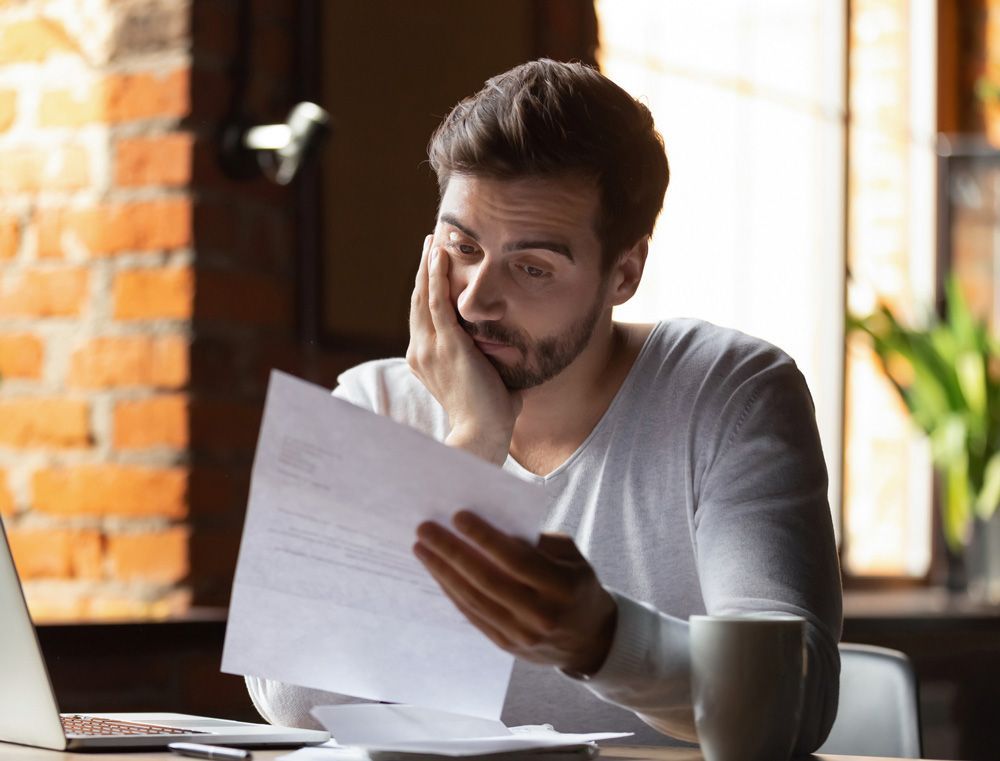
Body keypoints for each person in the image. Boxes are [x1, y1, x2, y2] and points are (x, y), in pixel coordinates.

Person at [246, 59, 842, 751]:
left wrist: (604, 641)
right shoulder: (372, 402)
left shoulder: (731, 392)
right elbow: (293, 700)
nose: (475, 299)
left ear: (624, 273)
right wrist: (470, 442)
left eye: (532, 267)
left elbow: (790, 701)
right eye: (462, 246)